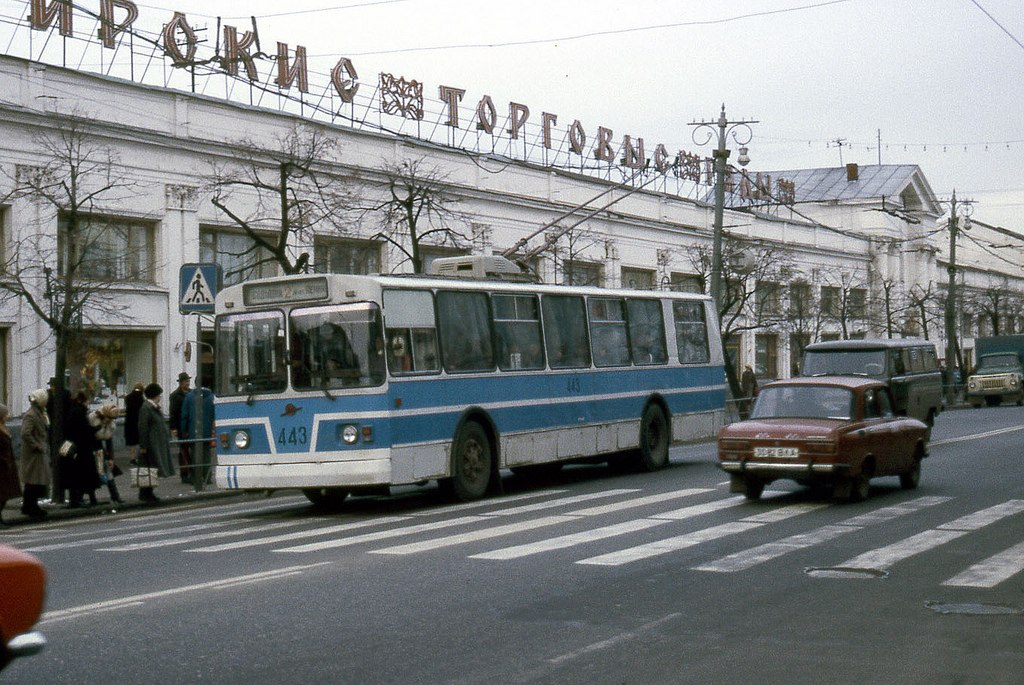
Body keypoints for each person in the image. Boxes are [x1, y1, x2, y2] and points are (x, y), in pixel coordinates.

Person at [136, 383, 174, 503]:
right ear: (155, 395)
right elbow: (143, 427)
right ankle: (145, 493)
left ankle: (148, 492)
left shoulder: (153, 407)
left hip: (156, 443)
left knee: (152, 468)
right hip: (151, 444)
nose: (160, 397)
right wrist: (143, 446)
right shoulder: (146, 408)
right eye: (159, 395)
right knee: (149, 468)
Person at [64, 391, 101, 508]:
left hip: (77, 448)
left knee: (79, 476)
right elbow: (85, 431)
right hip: (82, 449)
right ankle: (81, 500)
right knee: (84, 476)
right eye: (87, 401)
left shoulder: (73, 411)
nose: (88, 403)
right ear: (83, 401)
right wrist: (98, 427)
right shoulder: (79, 412)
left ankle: (79, 499)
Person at [20, 389, 51, 519]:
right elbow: (25, 433)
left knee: (36, 480)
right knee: (32, 480)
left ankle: (31, 505)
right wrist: (36, 445)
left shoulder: (40, 413)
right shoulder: (31, 415)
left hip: (39, 452)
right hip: (34, 454)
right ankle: (29, 506)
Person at [181, 382, 215, 485]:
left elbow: (184, 415)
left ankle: (196, 478)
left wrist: (184, 430)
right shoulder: (212, 397)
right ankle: (207, 477)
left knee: (195, 455)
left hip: (193, 431)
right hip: (208, 431)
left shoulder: (189, 396)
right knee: (206, 454)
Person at [89, 403, 123, 504]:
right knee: (93, 473)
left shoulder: (110, 425)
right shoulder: (93, 418)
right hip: (91, 448)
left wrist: (111, 458)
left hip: (100, 449)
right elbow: (90, 434)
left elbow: (109, 441)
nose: (110, 420)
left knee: (108, 472)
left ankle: (115, 496)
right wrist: (101, 426)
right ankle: (92, 498)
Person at [0, 403, 22, 525]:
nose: (7, 417)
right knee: (1, 495)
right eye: (5, 415)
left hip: (7, 467)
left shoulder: (3, 427)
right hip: (2, 467)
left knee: (5, 496)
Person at [168, 372, 192, 483]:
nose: (188, 383)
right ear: (181, 383)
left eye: (188, 381)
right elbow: (173, 413)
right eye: (186, 381)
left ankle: (193, 472)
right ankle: (184, 474)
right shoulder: (174, 396)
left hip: (191, 426)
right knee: (183, 451)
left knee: (192, 450)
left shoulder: (192, 393)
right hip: (181, 426)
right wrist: (173, 428)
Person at [124, 382, 144, 461]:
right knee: (138, 440)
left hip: (129, 421)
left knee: (131, 441)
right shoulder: (141, 398)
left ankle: (132, 458)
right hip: (138, 421)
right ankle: (138, 457)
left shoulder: (128, 397)